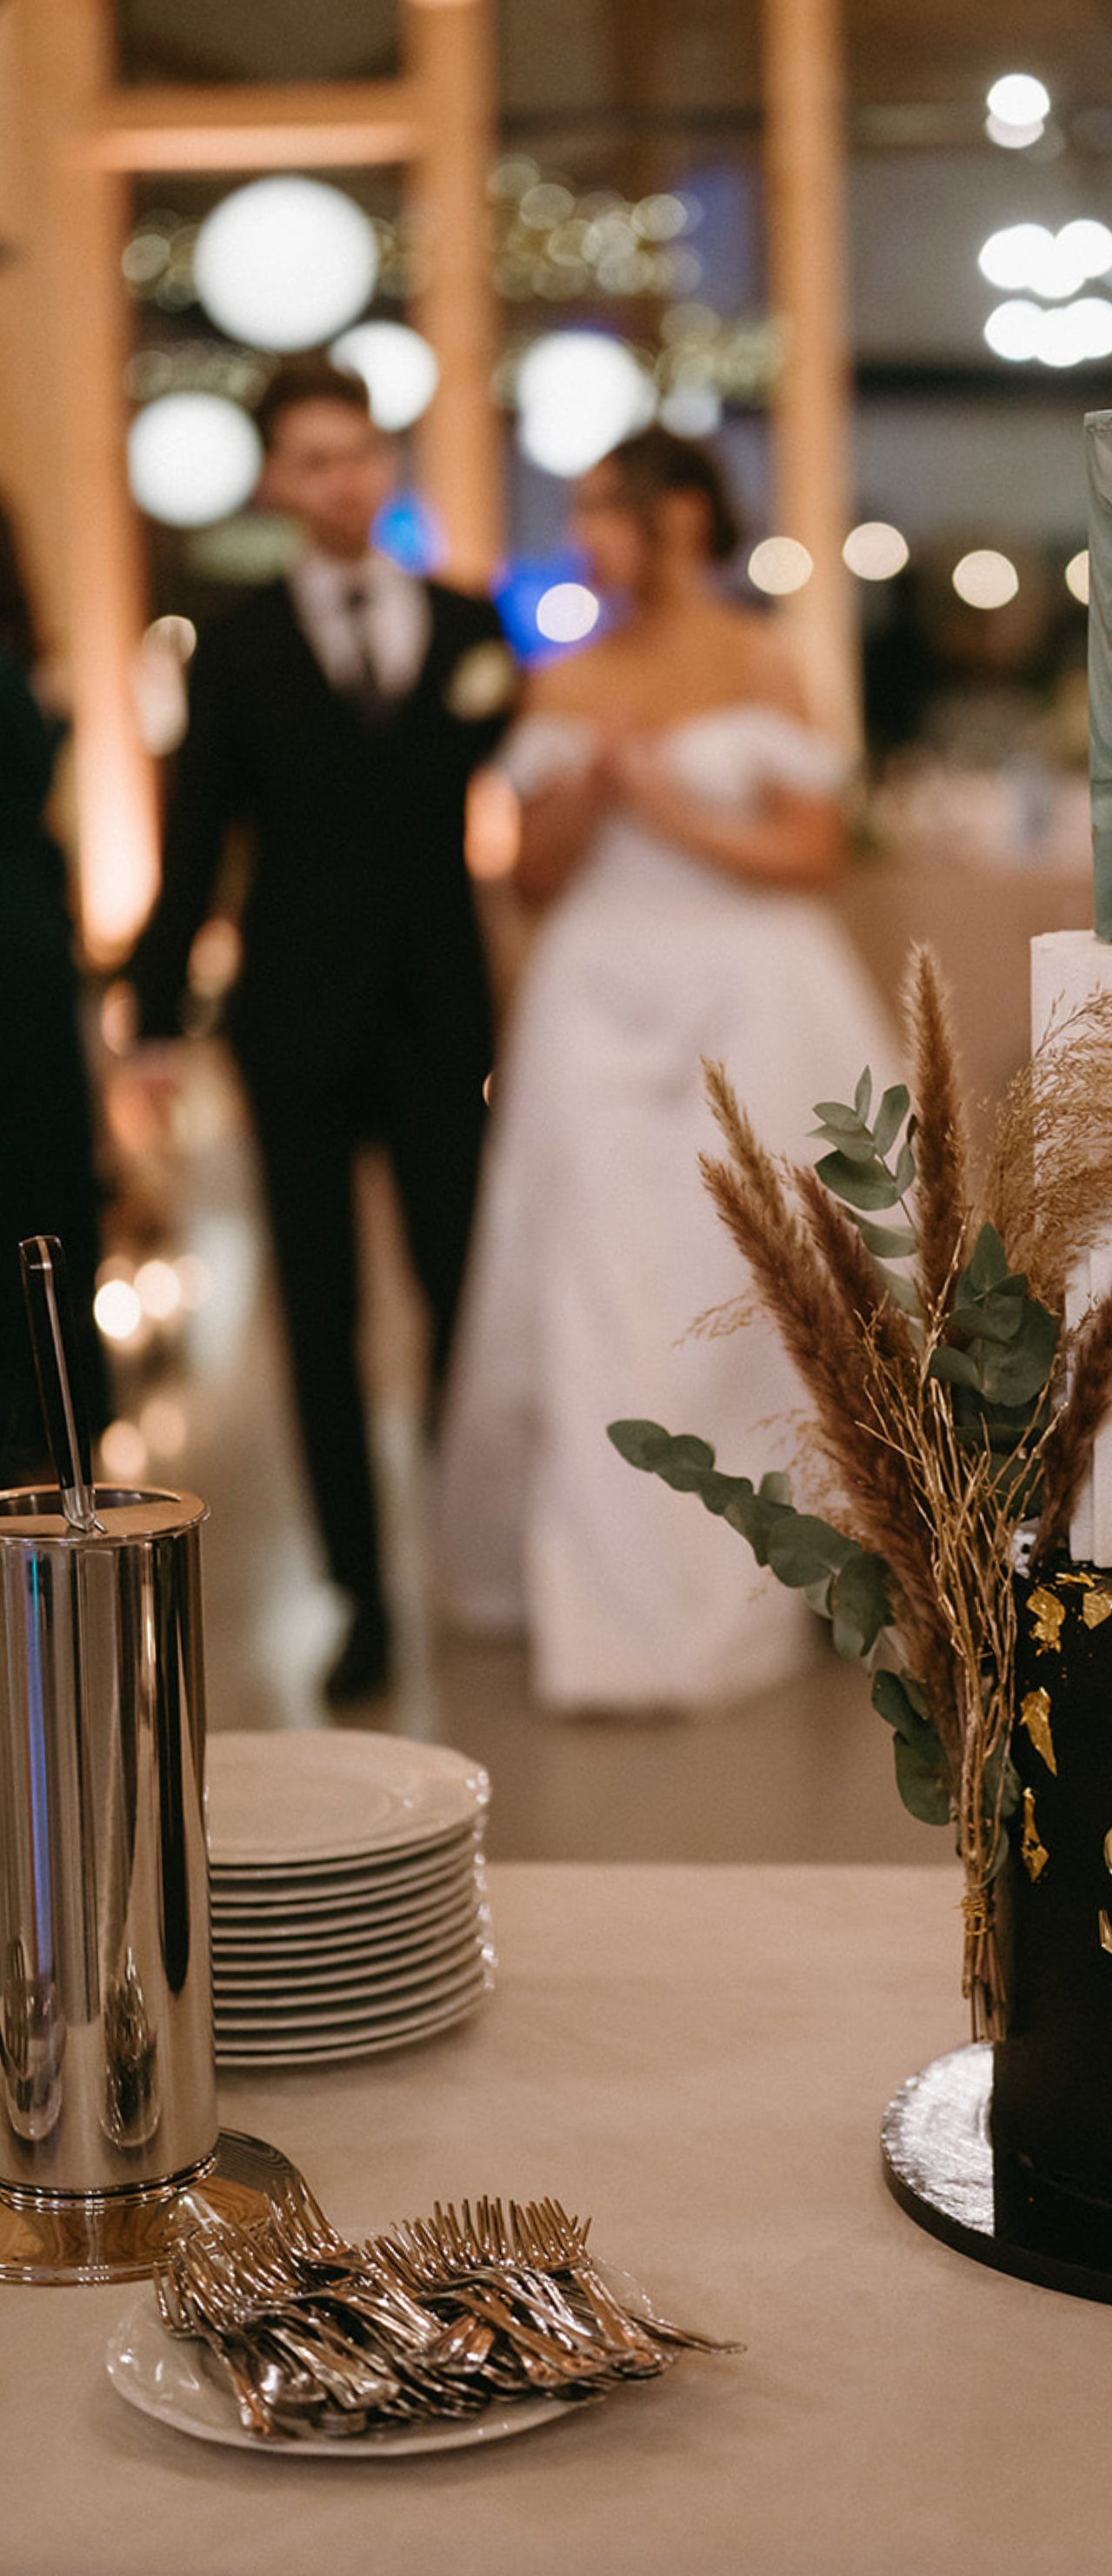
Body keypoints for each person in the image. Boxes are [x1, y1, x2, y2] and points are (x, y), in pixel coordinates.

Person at [434, 430, 900, 1710]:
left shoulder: (762, 661)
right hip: (594, 997)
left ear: (683, 520)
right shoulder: (561, 678)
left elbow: (811, 855)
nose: (585, 536)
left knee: (762, 1278)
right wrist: (589, 791)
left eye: (608, 512)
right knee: (594, 1273)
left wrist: (665, 798)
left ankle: (798, 1564)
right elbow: (529, 878)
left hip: (749, 995)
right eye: (579, 512)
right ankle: (615, 1591)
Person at [127, 356, 518, 1697]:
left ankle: (474, 1558)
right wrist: (154, 1013)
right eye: (312, 460)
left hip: (435, 1018)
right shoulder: (231, 647)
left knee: (465, 1292)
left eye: (360, 453)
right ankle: (360, 1594)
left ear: (385, 464)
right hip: (290, 1024)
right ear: (276, 482)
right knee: (320, 1315)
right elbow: (192, 842)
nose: (342, 480)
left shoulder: (472, 628)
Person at [0, 499, 109, 1485]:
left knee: (35, 1186)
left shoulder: (22, 649)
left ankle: (44, 1418)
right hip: (25, 946)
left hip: (26, 957)